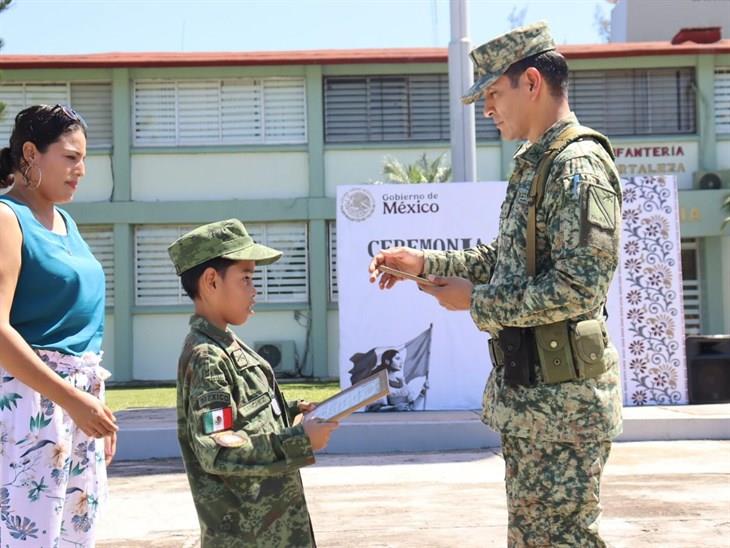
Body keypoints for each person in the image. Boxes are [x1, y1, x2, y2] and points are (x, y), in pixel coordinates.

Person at [369, 22, 623, 547]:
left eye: (492, 92)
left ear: (531, 82)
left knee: (564, 540)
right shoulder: (538, 164)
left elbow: (579, 286)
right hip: (537, 403)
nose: (487, 108)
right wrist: (423, 263)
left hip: (565, 408)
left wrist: (475, 303)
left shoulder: (577, 167)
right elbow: (505, 260)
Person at [168, 218, 339, 548]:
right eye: (246, 278)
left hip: (276, 530)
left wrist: (292, 412)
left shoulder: (228, 344)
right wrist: (297, 441)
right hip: (247, 537)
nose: (254, 289)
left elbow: (246, 417)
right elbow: (216, 449)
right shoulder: (208, 356)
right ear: (210, 282)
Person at [0, 105, 118, 547]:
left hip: (75, 407)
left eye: (84, 159)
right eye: (70, 157)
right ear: (30, 154)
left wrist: (94, 408)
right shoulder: (7, 219)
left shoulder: (65, 221)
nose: (81, 170)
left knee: (73, 538)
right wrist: (71, 399)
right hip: (29, 406)